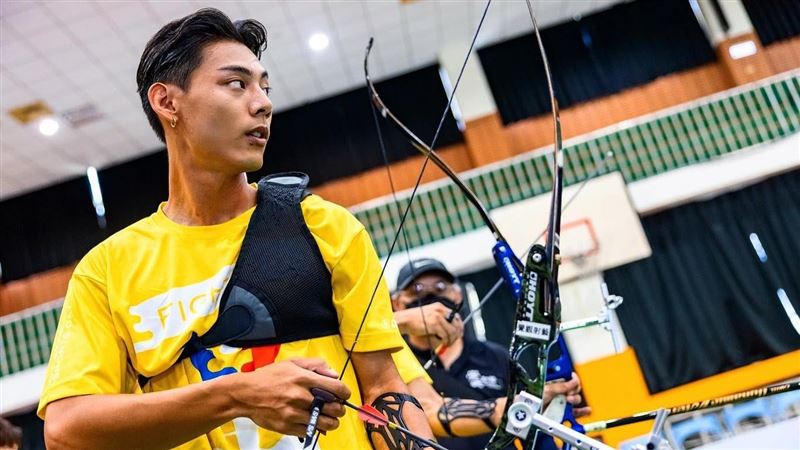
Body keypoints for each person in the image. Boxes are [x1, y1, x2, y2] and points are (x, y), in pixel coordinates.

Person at [38, 8, 435, 450]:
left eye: (264, 86)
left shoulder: (324, 224)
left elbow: (384, 388)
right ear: (168, 102)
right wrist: (235, 395)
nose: (263, 102)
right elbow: (65, 429)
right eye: (236, 84)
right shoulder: (107, 269)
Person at [392, 258, 591, 450]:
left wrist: (548, 406)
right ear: (397, 303)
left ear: (458, 295)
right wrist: (399, 321)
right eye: (416, 290)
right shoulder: (393, 362)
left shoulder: (495, 357)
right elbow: (430, 410)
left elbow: (533, 430)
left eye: (441, 288)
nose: (430, 299)